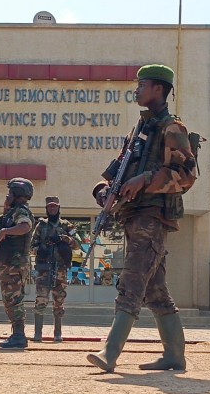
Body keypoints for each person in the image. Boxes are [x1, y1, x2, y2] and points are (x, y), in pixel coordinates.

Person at [87, 64, 198, 372]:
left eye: (142, 84)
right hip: (133, 215)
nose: (136, 90)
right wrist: (106, 192)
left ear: (159, 89)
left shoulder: (172, 129)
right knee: (156, 291)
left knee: (133, 282)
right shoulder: (140, 130)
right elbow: (120, 173)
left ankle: (110, 353)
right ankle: (174, 356)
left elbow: (188, 175)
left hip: (153, 217)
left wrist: (147, 180)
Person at [0, 177, 35, 349]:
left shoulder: (21, 211)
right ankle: (17, 334)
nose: (7, 195)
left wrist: (5, 232)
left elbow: (25, 226)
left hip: (14, 264)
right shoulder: (12, 211)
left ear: (17, 193)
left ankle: (19, 336)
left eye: (10, 192)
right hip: (9, 263)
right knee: (10, 299)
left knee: (14, 299)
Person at [30, 196, 81, 342]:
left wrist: (65, 239)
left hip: (60, 269)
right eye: (50, 207)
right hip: (44, 268)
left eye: (55, 206)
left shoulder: (67, 226)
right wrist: (40, 250)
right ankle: (38, 333)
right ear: (47, 208)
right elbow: (32, 245)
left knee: (59, 300)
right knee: (41, 299)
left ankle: (57, 333)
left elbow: (77, 244)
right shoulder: (41, 226)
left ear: (59, 208)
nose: (52, 209)